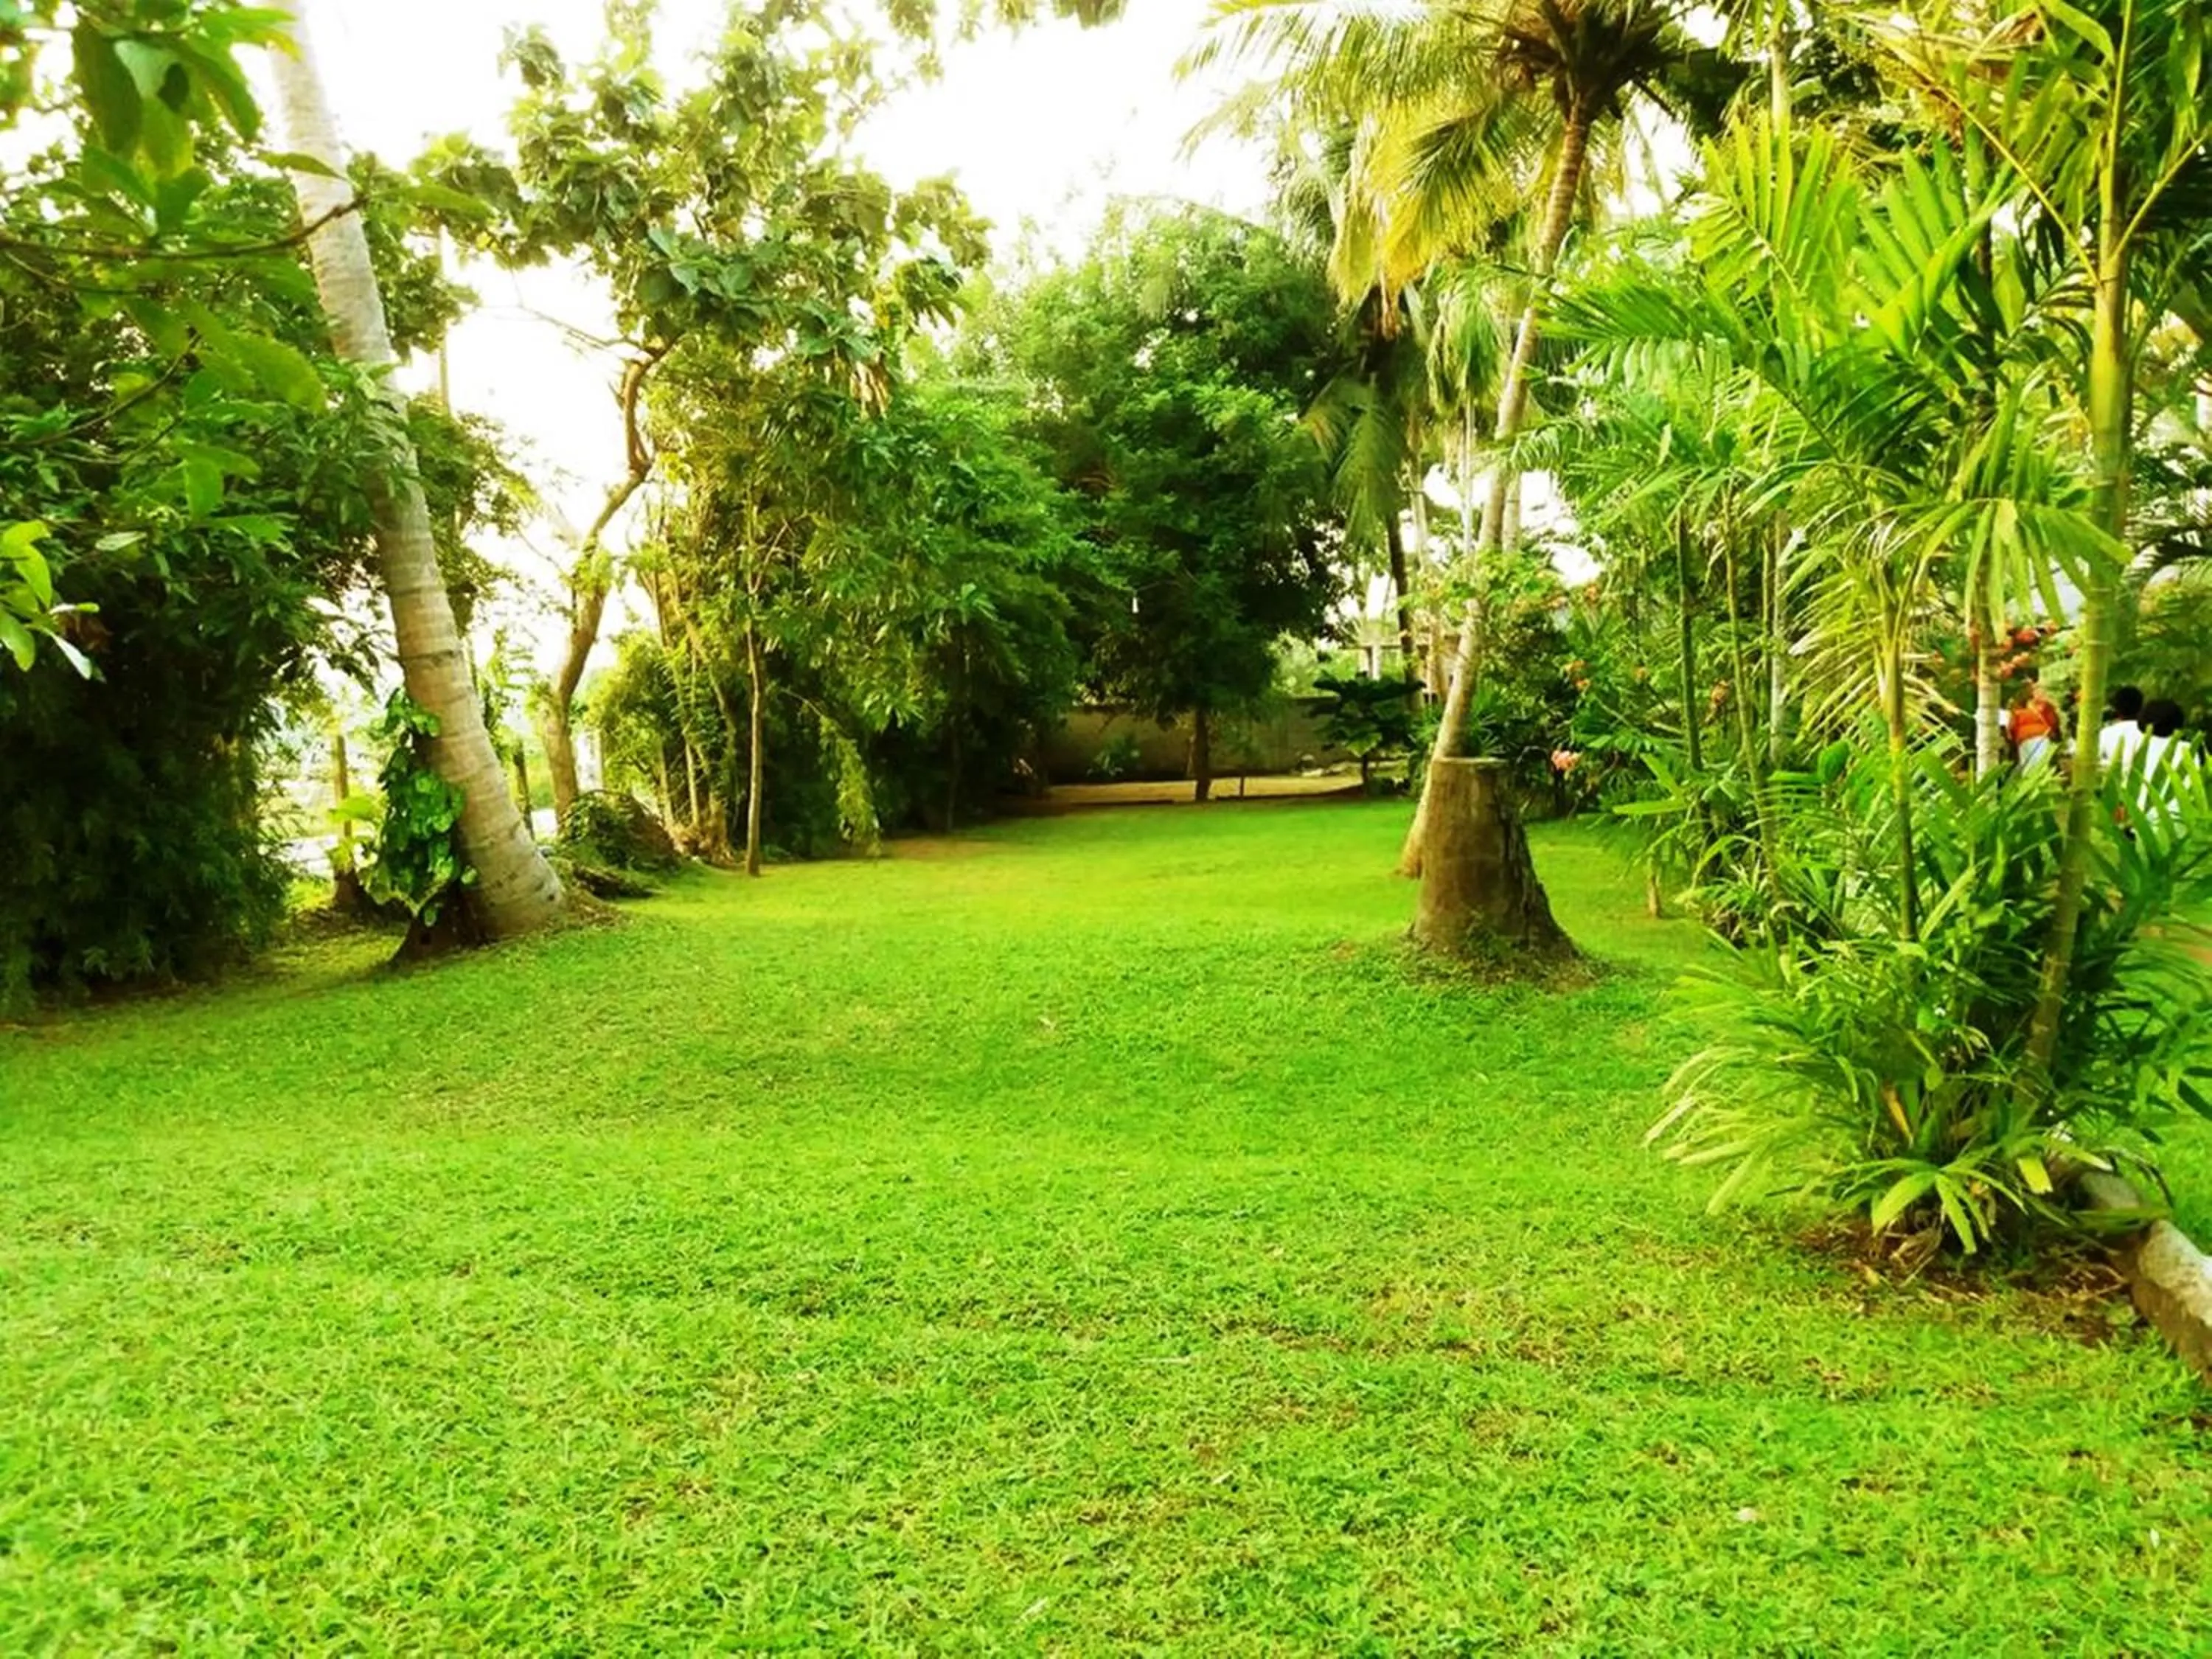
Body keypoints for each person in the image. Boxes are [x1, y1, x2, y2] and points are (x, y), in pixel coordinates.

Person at [2011, 676, 2062, 770]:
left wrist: (2013, 739)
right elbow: (2053, 721)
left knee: (2027, 765)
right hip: (2041, 736)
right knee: (2041, 764)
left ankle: (2028, 779)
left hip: (2022, 738)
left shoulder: (2015, 707)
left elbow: (2012, 726)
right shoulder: (2043, 706)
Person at [2098, 684, 2146, 770]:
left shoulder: (2106, 733)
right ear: (2141, 707)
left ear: (2116, 709)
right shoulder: (2151, 733)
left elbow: (2095, 761)